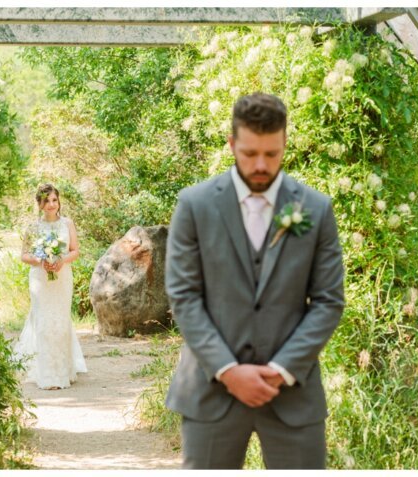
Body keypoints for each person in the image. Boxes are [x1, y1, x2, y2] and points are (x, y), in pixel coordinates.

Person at [164, 93, 345, 469]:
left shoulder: (315, 208)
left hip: (294, 397)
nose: (261, 165)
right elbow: (184, 295)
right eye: (249, 154)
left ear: (284, 143)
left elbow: (328, 301)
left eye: (272, 153)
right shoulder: (194, 205)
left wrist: (281, 371)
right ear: (231, 143)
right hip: (210, 393)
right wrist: (229, 371)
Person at [15, 184, 88, 390]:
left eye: (54, 200)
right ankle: (47, 374)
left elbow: (75, 251)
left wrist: (61, 260)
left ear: (59, 202)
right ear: (39, 204)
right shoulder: (33, 227)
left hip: (62, 277)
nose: (51, 204)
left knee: (60, 320)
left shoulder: (68, 223)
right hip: (40, 279)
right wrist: (41, 260)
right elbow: (24, 255)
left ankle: (63, 370)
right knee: (44, 321)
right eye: (46, 201)